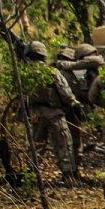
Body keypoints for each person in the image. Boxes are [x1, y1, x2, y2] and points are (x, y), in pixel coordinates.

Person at [20, 41, 81, 184]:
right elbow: (65, 92)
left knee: (36, 145)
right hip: (55, 113)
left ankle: (30, 177)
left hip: (35, 113)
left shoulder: (24, 74)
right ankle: (68, 177)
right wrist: (74, 103)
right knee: (63, 144)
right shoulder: (52, 72)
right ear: (43, 55)